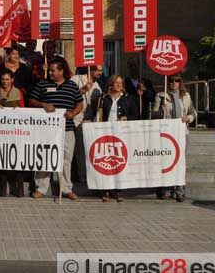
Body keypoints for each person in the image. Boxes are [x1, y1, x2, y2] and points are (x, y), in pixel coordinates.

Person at [29, 57, 83, 200]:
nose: (50, 73)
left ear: (61, 71)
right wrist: (44, 105)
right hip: (46, 130)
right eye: (50, 70)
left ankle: (66, 188)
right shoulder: (42, 84)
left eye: (53, 71)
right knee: (44, 157)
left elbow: (80, 103)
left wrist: (73, 113)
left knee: (66, 160)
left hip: (67, 129)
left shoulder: (72, 86)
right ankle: (41, 188)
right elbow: (32, 100)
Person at [88, 74, 138, 202]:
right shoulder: (103, 98)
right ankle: (105, 190)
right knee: (105, 162)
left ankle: (117, 190)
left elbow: (136, 116)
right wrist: (89, 120)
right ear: (110, 84)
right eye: (116, 83)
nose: (119, 85)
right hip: (105, 133)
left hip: (121, 134)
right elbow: (94, 112)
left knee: (117, 162)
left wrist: (127, 118)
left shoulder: (128, 99)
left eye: (121, 83)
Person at [152, 74, 196, 203]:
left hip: (182, 132)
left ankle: (179, 190)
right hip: (167, 133)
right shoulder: (161, 96)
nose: (173, 83)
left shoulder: (185, 96)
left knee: (180, 161)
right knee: (167, 160)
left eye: (177, 81)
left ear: (180, 83)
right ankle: (165, 188)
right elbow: (154, 114)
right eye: (171, 81)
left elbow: (193, 112)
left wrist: (188, 118)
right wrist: (162, 110)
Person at [0, 72, 26, 197]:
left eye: (7, 79)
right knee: (1, 159)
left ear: (12, 80)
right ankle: (3, 188)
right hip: (0, 131)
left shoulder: (18, 93)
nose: (4, 82)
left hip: (15, 131)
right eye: (3, 79)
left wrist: (18, 111)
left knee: (17, 158)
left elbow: (24, 110)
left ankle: (19, 189)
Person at [70, 65, 103, 184]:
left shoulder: (98, 88)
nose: (100, 72)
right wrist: (82, 91)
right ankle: (76, 176)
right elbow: (67, 95)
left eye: (101, 70)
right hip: (73, 118)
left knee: (83, 150)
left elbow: (97, 108)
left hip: (87, 122)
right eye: (98, 70)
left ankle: (83, 176)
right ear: (91, 69)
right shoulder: (76, 79)